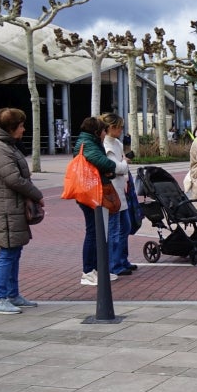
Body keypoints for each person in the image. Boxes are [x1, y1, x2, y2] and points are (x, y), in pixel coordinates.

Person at [0, 107, 45, 314]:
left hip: (10, 205)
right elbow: (13, 178)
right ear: (11, 127)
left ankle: (12, 294)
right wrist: (37, 195)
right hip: (4, 207)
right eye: (21, 126)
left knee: (14, 249)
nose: (23, 130)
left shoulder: (5, 144)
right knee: (8, 252)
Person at [75, 116, 119, 286]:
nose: (104, 134)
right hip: (88, 192)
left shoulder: (90, 142)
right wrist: (112, 167)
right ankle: (87, 271)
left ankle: (96, 269)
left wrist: (109, 171)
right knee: (93, 231)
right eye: (103, 131)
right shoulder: (88, 144)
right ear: (96, 132)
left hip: (93, 190)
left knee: (97, 231)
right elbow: (103, 162)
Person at [101, 113, 136, 275]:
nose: (121, 130)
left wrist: (123, 164)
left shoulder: (117, 143)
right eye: (119, 127)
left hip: (121, 189)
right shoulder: (106, 145)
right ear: (111, 128)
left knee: (125, 227)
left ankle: (122, 260)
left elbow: (120, 167)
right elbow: (117, 167)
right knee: (115, 230)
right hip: (113, 191)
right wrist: (124, 163)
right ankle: (114, 264)